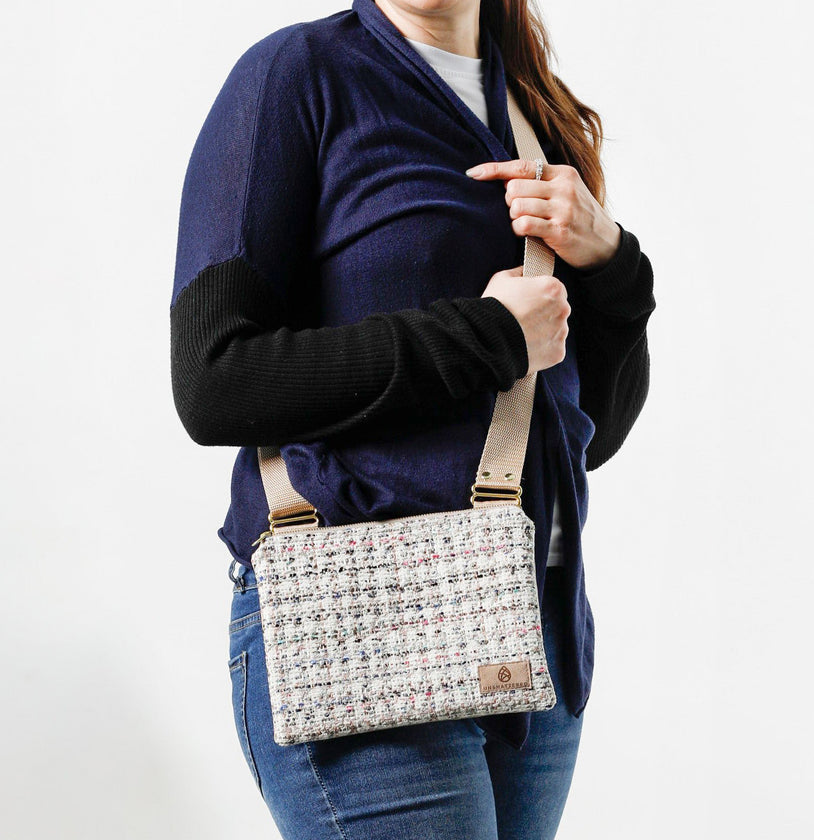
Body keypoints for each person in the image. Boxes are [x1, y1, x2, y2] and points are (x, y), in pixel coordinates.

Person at [169, 0, 656, 837]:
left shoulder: (540, 117)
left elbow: (589, 432)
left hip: (531, 630)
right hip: (358, 620)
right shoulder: (297, 78)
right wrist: (490, 335)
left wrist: (614, 266)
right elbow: (214, 378)